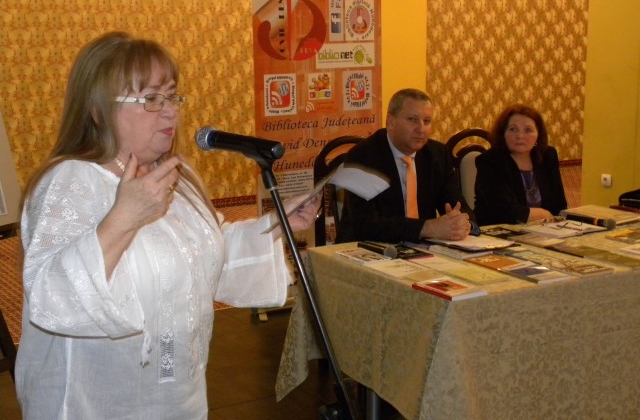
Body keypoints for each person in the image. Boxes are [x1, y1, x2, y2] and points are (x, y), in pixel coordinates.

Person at [15, 31, 320, 419]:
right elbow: (51, 295)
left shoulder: (176, 175)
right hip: (93, 403)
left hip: (177, 399)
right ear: (97, 110)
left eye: (172, 96)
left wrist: (278, 224)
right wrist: (124, 218)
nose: (171, 112)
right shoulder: (72, 180)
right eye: (151, 99)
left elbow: (206, 249)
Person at [337, 88, 477, 244]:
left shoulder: (437, 154)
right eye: (412, 119)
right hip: (367, 248)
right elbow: (366, 225)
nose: (421, 129)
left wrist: (464, 224)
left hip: (423, 248)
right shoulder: (362, 156)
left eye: (426, 121)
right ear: (390, 122)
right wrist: (427, 228)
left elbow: (458, 205)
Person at [474, 104, 567, 225]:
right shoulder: (490, 161)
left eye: (528, 130)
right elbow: (504, 210)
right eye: (513, 129)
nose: (520, 136)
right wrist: (543, 215)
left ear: (538, 135)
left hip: (546, 229)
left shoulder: (547, 156)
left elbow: (559, 204)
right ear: (503, 133)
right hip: (500, 231)